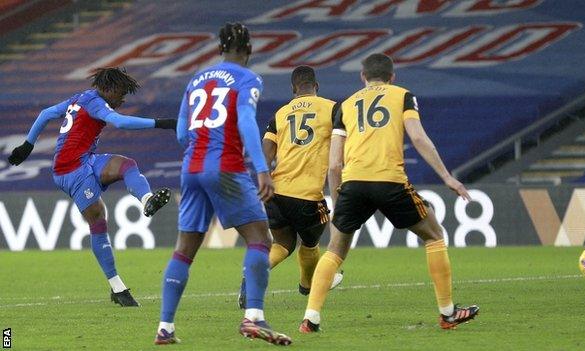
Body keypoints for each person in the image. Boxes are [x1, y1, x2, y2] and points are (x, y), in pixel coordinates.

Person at [298, 53, 480, 333]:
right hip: (389, 180)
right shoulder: (402, 96)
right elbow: (418, 137)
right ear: (392, 76)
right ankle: (448, 313)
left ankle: (310, 318)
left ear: (363, 77)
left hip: (353, 183)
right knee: (434, 234)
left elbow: (334, 163)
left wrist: (338, 200)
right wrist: (447, 177)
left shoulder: (345, 105)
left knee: (335, 249)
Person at [154, 22, 291, 346]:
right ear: (250, 49)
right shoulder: (247, 78)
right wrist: (261, 168)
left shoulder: (196, 80)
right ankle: (254, 318)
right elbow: (244, 118)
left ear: (219, 49)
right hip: (225, 167)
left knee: (185, 248)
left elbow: (180, 134)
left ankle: (165, 327)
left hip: (191, 168)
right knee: (260, 237)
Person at [8, 67, 176, 307]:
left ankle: (147, 199)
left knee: (128, 165)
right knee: (98, 221)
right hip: (71, 171)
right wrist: (164, 123)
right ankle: (118, 288)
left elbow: (46, 113)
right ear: (108, 88)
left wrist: (27, 145)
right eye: (121, 93)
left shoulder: (79, 98)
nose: (123, 99)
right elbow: (120, 123)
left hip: (86, 160)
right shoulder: (94, 103)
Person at [238, 66, 343, 310]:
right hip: (307, 194)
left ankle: (253, 274)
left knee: (283, 244)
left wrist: (264, 180)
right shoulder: (332, 108)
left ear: (294, 90)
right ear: (315, 86)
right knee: (311, 242)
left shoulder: (280, 114)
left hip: (276, 191)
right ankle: (308, 284)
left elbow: (264, 153)